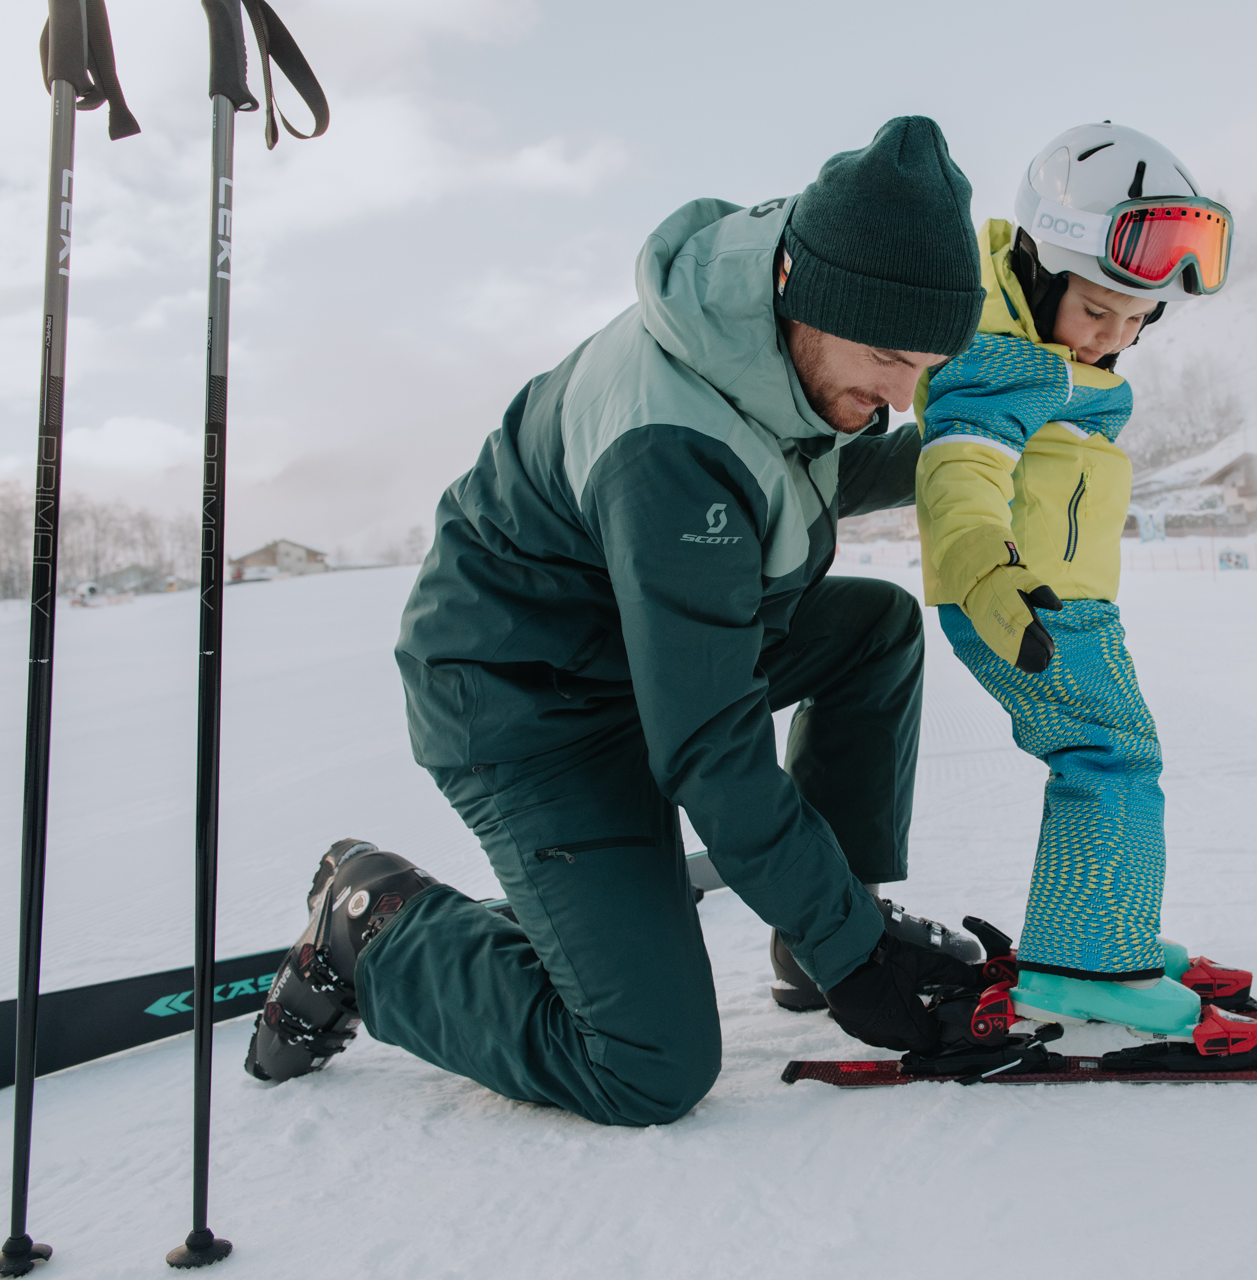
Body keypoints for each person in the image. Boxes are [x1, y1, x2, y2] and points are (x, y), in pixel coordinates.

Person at [245, 117, 995, 1125]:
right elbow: (711, 748)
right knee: (648, 1062)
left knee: (874, 627)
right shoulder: (670, 444)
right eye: (888, 358)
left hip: (640, 651)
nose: (904, 396)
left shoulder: (782, 329)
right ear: (805, 299)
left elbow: (796, 467)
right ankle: (374, 923)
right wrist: (864, 959)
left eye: (927, 364)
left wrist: (968, 448)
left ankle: (814, 930)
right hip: (529, 699)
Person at [913, 122, 1257, 1063]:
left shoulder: (1058, 359)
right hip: (1022, 599)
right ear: (1036, 270)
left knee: (1109, 752)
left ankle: (1098, 930)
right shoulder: (1004, 364)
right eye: (1099, 310)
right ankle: (1088, 967)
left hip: (1067, 602)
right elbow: (961, 472)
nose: (1118, 337)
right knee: (1110, 755)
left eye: (1138, 318)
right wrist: (991, 570)